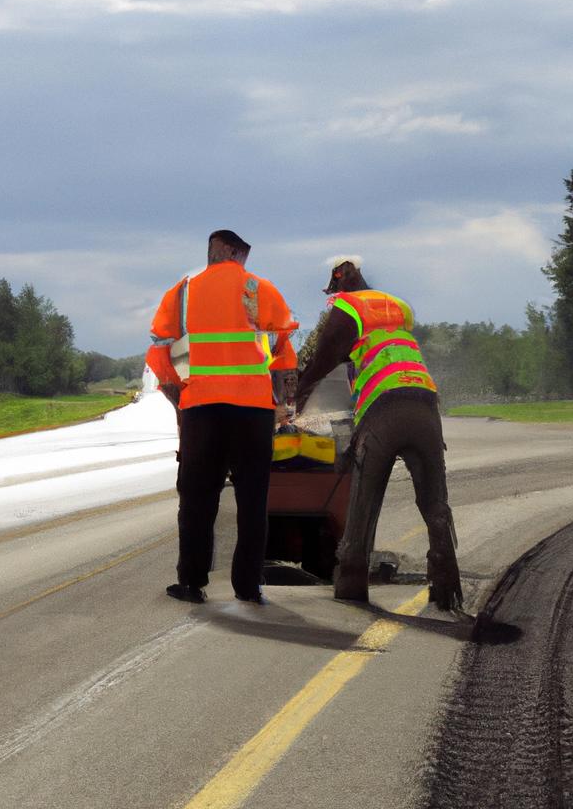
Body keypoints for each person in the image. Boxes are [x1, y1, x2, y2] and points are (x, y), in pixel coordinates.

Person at [294, 256, 463, 611]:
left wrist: (296, 405)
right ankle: (446, 586)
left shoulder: (346, 308)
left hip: (384, 411)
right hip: (426, 405)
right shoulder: (396, 307)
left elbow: (318, 366)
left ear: (338, 285)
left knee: (363, 503)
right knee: (435, 504)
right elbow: (378, 353)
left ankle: (352, 585)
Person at [146, 230, 298, 604]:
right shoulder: (260, 289)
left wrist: (179, 396)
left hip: (202, 410)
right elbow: (284, 355)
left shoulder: (181, 293)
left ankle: (191, 582)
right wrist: (281, 406)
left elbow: (160, 354)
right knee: (252, 501)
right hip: (254, 412)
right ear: (231, 252)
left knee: (197, 499)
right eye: (242, 257)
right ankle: (248, 587)